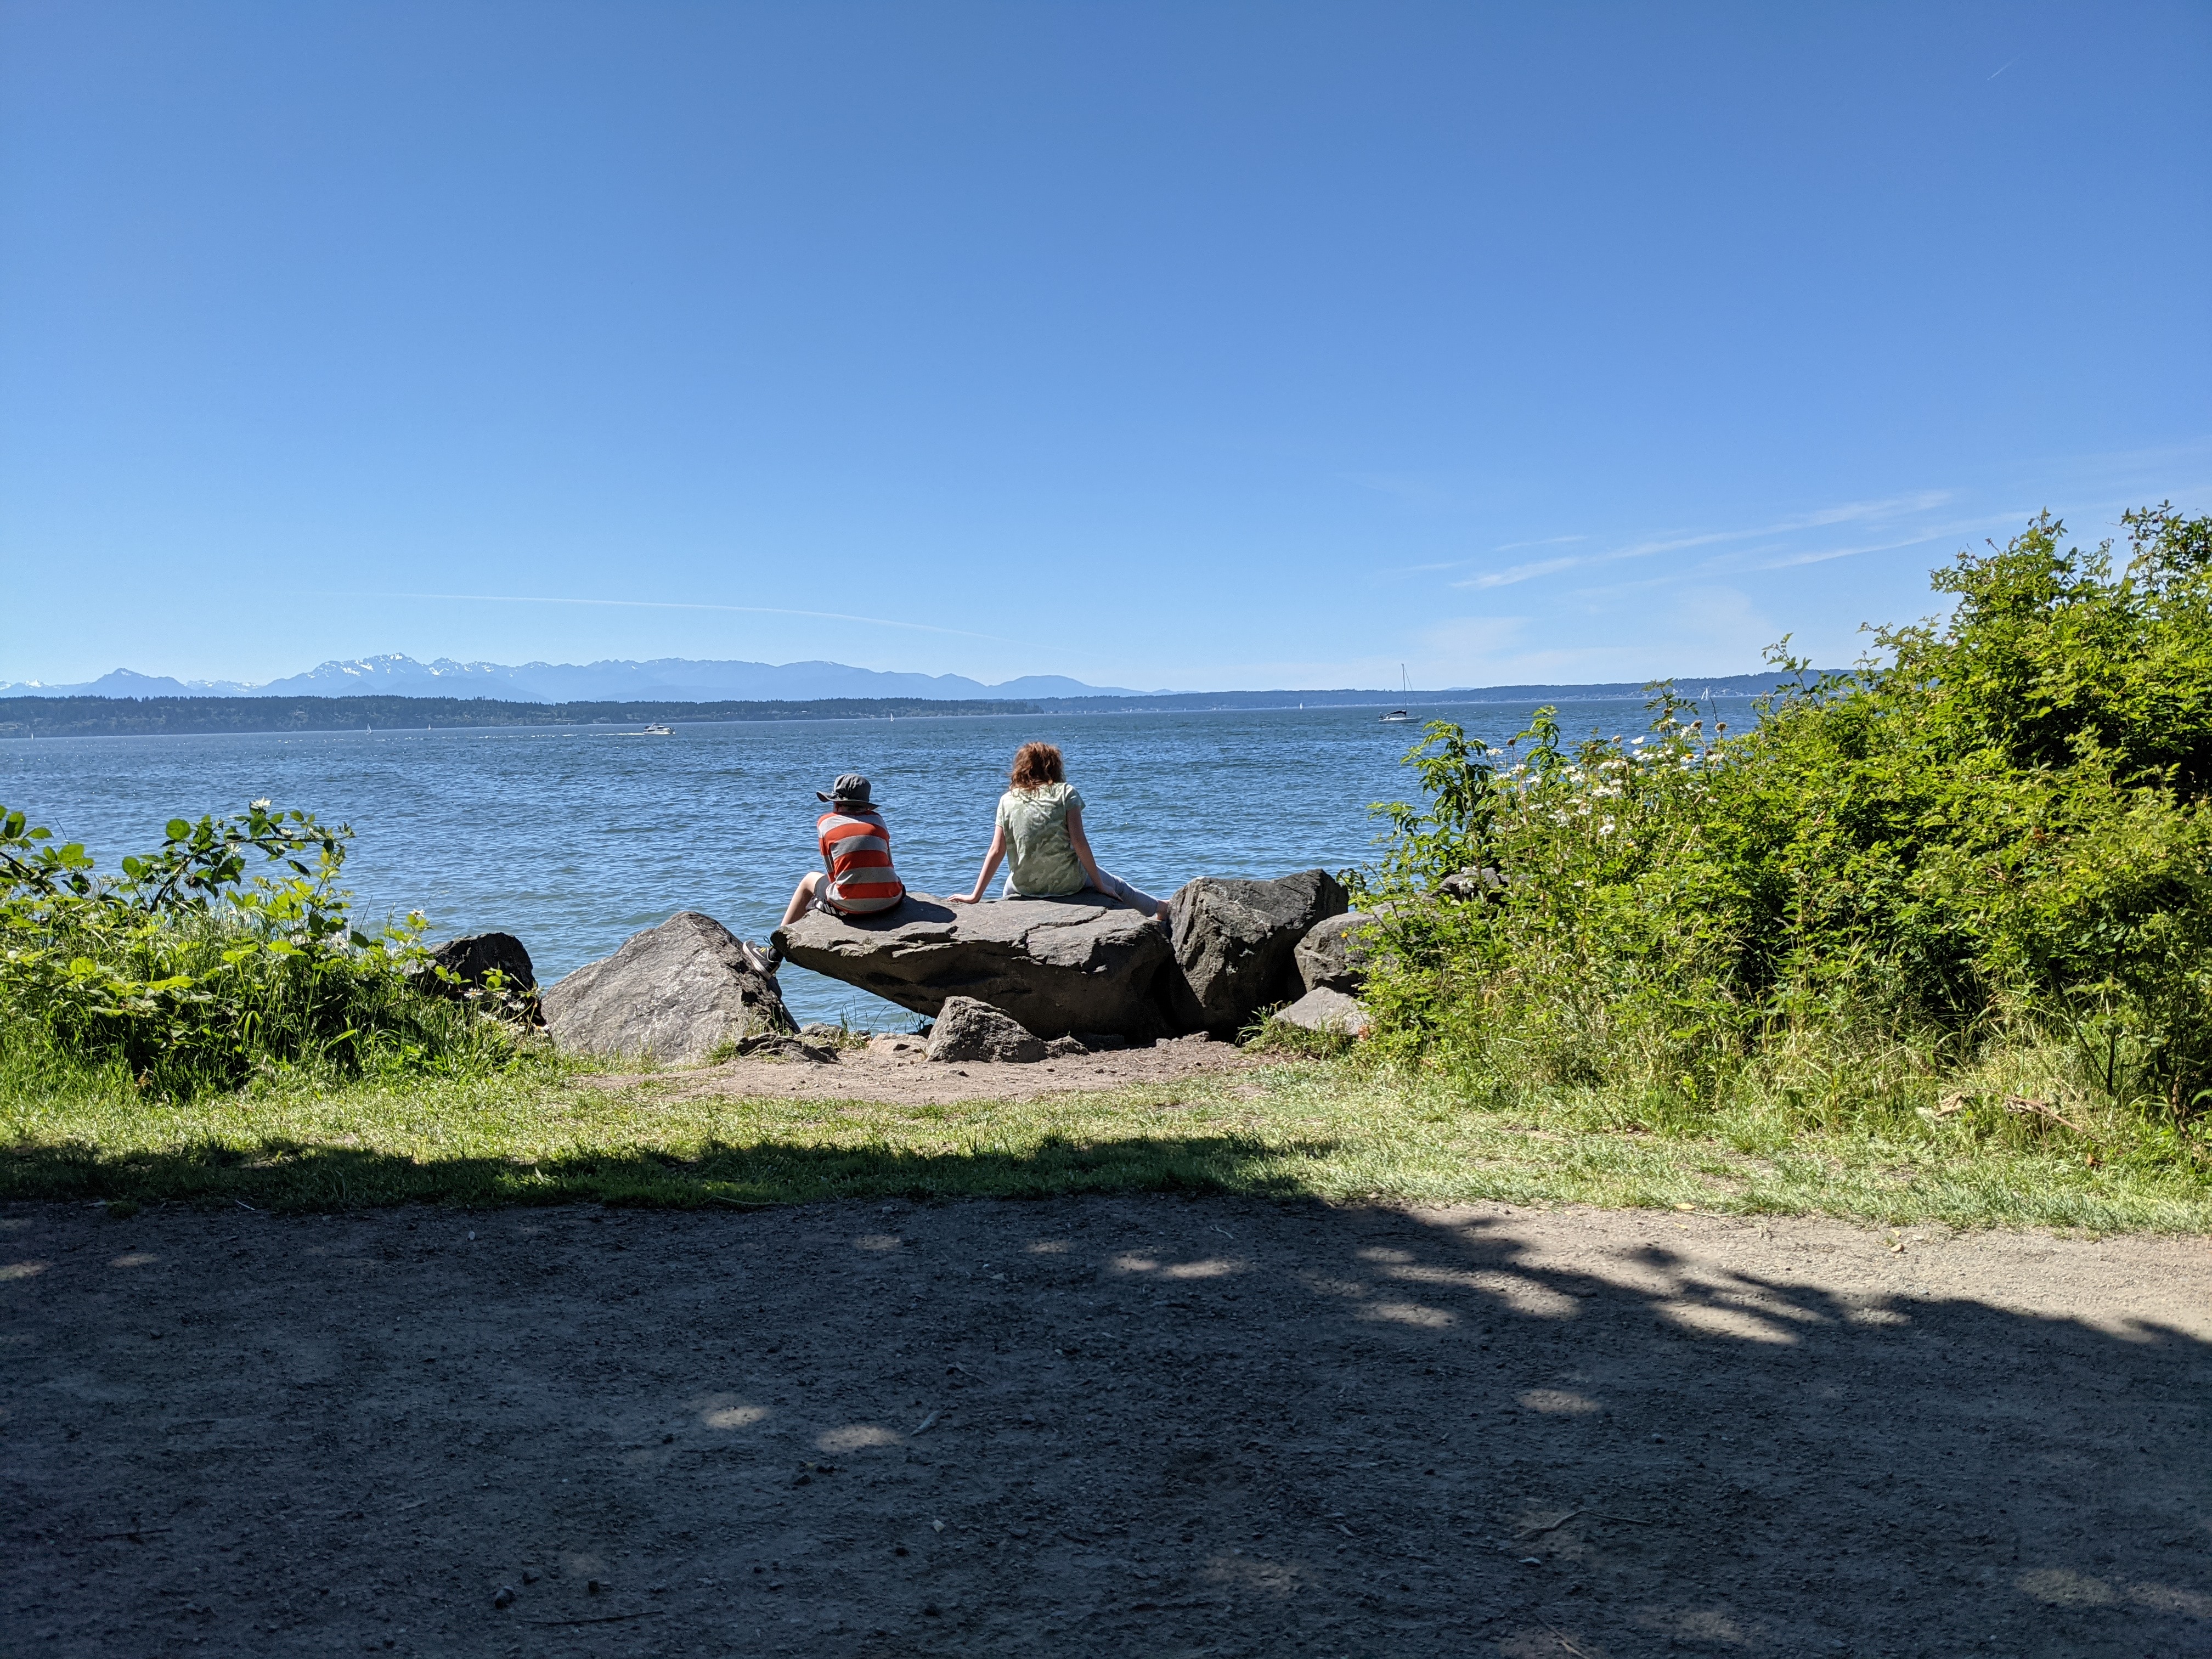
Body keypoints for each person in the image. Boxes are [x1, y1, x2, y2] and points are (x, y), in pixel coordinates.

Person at [946, 742, 1169, 922]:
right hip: (1069, 882)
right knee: (1118, 885)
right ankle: (1160, 908)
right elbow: (1079, 843)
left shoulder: (1007, 800)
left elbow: (997, 850)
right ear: (1054, 767)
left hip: (1025, 885)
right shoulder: (1066, 793)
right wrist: (1101, 886)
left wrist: (975, 896)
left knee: (1008, 887)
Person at [744, 772, 904, 975]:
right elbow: (889, 862)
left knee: (809, 880)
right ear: (866, 804)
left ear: (837, 803)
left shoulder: (826, 823)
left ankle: (773, 957)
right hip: (892, 901)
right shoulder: (879, 821)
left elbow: (832, 874)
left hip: (851, 908)